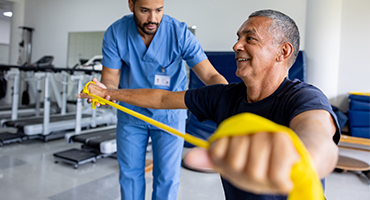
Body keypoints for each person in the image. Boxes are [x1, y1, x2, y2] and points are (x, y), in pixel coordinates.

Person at [79, 9, 340, 200]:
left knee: (166, 179)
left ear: (282, 52)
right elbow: (160, 98)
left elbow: (317, 136)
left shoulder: (304, 97)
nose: (236, 45)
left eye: (250, 38)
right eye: (238, 37)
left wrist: (299, 156)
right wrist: (108, 93)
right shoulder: (225, 97)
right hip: (135, 119)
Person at [96, 0, 228, 199]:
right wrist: (105, 92)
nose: (153, 19)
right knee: (130, 175)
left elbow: (210, 76)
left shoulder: (179, 33)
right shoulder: (116, 33)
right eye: (145, 11)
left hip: (170, 115)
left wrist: (229, 100)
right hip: (131, 114)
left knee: (167, 177)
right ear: (131, 5)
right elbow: (110, 79)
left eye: (159, 10)